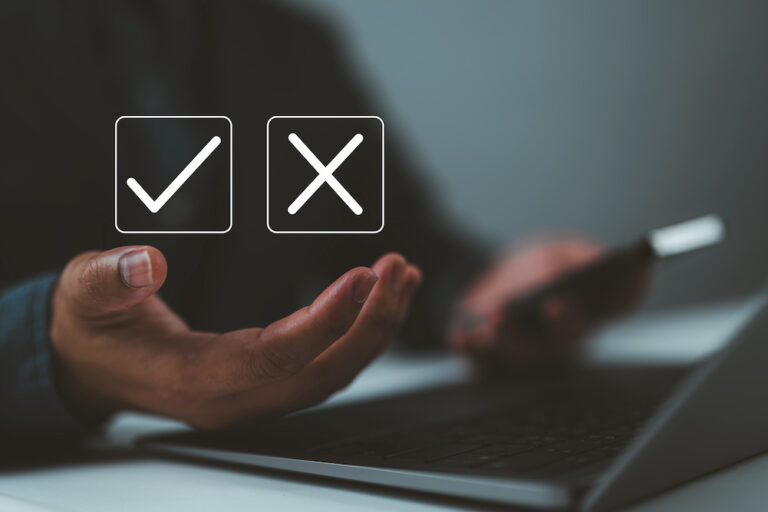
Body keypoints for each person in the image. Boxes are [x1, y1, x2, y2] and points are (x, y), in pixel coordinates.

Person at [0, 1, 642, 447]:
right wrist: (52, 359)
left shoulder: (290, 44)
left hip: (257, 475)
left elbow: (394, 246)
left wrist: (482, 293)